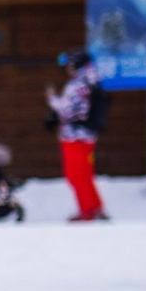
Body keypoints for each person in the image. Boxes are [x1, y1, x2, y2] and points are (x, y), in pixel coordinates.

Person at [46, 51, 109, 222]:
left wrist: (52, 99)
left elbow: (66, 110)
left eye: (70, 65)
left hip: (74, 137)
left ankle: (87, 210)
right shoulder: (93, 80)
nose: (68, 69)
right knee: (85, 173)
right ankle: (95, 207)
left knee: (75, 174)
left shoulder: (77, 85)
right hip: (88, 136)